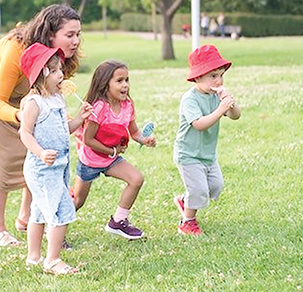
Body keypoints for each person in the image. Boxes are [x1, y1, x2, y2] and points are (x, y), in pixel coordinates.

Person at [0, 4, 82, 247]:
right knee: (2, 160)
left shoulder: (57, 58)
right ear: (49, 34)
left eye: (78, 34)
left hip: (25, 93)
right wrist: (23, 117)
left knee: (37, 150)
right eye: (70, 35)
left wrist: (67, 121)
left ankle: (26, 217)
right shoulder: (18, 49)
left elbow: (51, 95)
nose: (76, 41)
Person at [18, 42, 91, 275]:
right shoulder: (33, 103)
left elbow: (62, 129)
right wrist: (40, 152)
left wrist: (80, 118)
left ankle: (34, 256)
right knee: (61, 210)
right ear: (43, 73)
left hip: (58, 166)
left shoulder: (57, 99)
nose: (62, 75)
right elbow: (25, 133)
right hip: (41, 168)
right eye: (57, 70)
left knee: (39, 210)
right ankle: (52, 260)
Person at [71, 60, 156, 240]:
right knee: (78, 201)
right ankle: (54, 226)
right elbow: (88, 139)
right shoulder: (99, 108)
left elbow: (133, 131)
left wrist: (144, 139)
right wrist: (112, 151)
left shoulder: (127, 105)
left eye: (126, 80)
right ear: (105, 84)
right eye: (119, 81)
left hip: (111, 158)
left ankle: (118, 221)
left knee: (136, 179)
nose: (125, 85)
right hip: (91, 160)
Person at [173, 44, 241, 236]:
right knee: (199, 189)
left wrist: (230, 104)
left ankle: (185, 201)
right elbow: (199, 124)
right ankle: (187, 223)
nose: (219, 81)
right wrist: (220, 110)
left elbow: (235, 116)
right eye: (213, 76)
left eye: (221, 75)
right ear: (197, 77)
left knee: (215, 186)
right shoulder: (190, 99)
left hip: (208, 154)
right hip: (188, 154)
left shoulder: (216, 95)